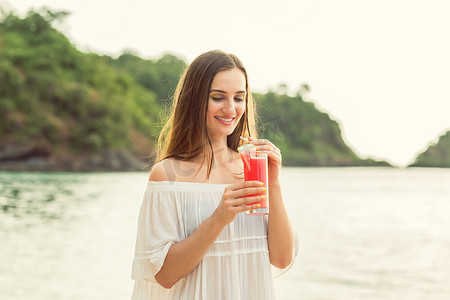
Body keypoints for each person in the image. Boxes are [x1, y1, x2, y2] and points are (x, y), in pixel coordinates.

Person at [131, 50, 298, 300]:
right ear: (195, 100)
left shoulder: (251, 170)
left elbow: (282, 258)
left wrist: (273, 183)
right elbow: (164, 276)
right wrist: (219, 218)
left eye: (239, 98)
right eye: (218, 97)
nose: (231, 109)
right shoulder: (167, 175)